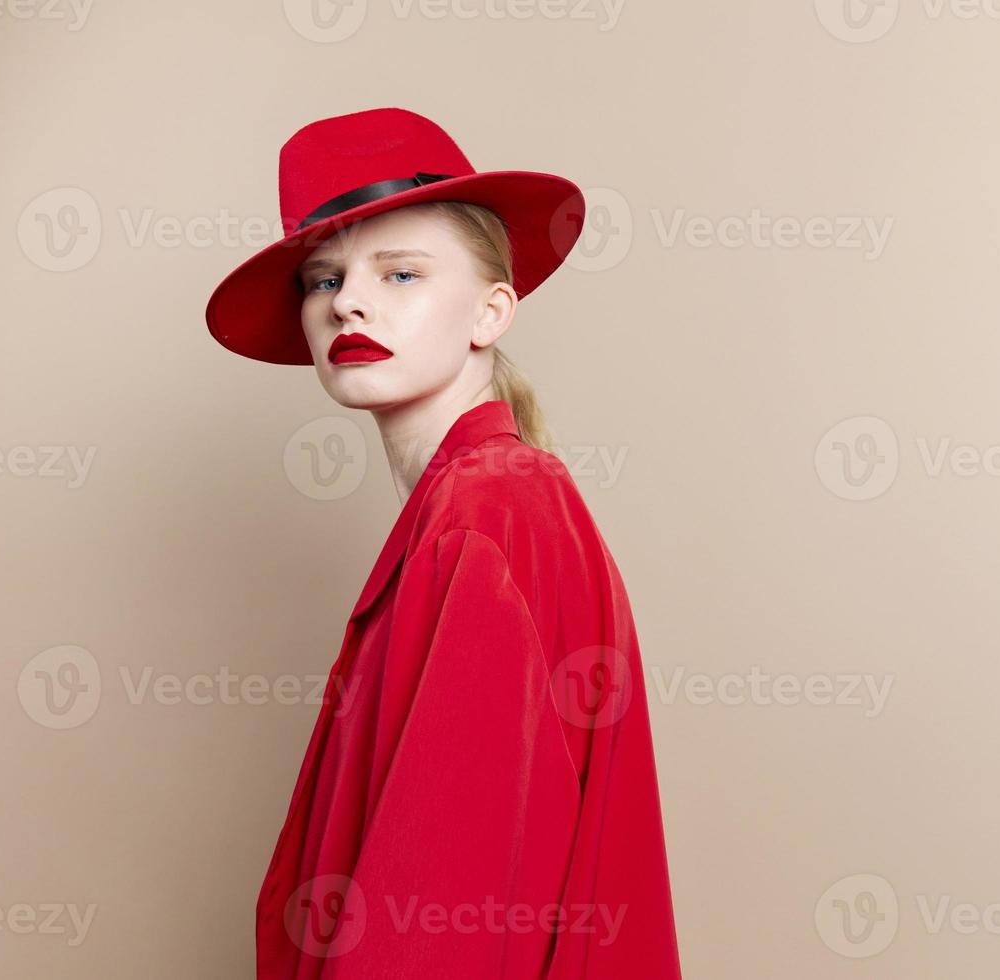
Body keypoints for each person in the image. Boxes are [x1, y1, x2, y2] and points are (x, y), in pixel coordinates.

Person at [204, 107, 683, 979]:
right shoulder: (489, 501)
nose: (348, 300)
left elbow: (439, 909)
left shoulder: (486, 515)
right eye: (323, 280)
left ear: (491, 311)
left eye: (401, 273)